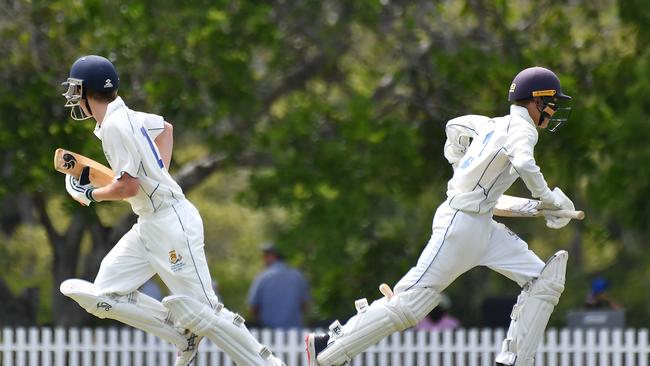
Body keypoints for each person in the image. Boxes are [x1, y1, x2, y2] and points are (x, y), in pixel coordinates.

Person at [306, 66, 576, 366]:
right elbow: (525, 163)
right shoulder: (522, 129)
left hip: (481, 225)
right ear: (536, 100)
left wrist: (461, 168)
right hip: (460, 225)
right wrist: (548, 199)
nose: (553, 109)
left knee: (543, 281)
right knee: (412, 302)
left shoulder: (488, 125)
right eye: (552, 101)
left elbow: (454, 127)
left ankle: (512, 361)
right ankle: (329, 348)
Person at [58, 55, 285, 366]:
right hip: (149, 223)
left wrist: (90, 194)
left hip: (172, 222)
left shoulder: (113, 125)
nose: (73, 97)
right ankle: (182, 334)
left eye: (75, 90)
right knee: (105, 296)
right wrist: (159, 170)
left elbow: (128, 187)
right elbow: (165, 128)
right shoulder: (128, 116)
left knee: (207, 312)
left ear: (86, 92)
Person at [248, 243, 311, 329]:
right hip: (295, 334)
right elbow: (305, 305)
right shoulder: (297, 276)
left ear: (273, 256)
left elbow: (253, 308)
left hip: (268, 334)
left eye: (265, 255)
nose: (263, 259)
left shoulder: (263, 278)